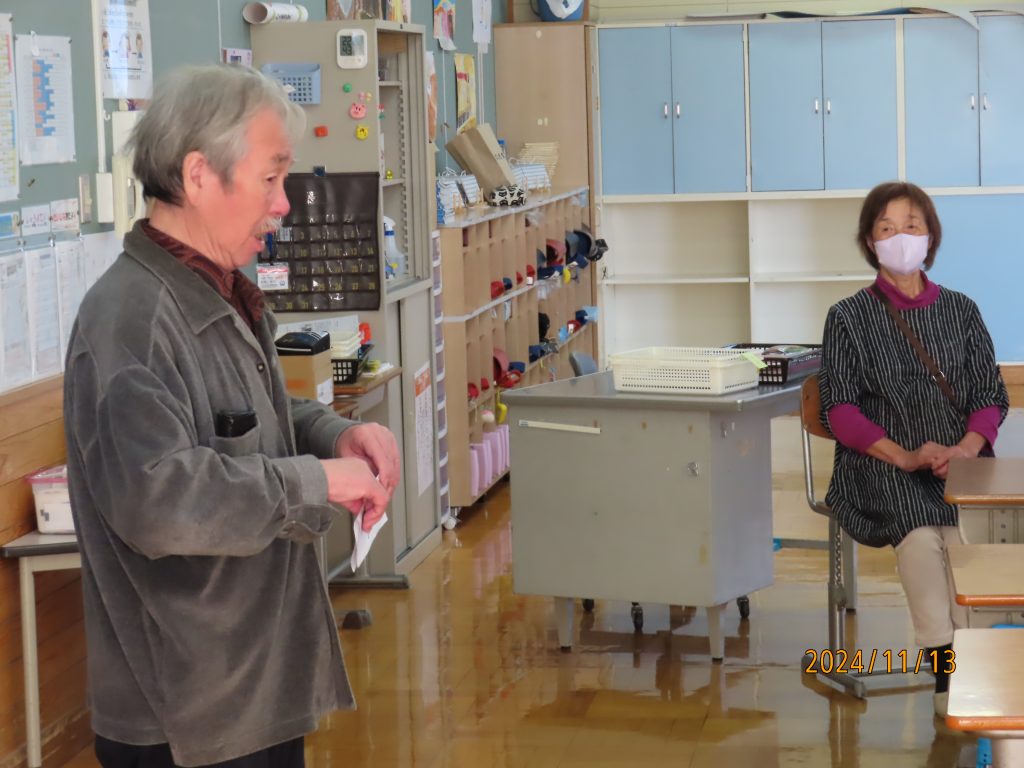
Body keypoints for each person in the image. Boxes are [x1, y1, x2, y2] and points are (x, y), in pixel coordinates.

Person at [63, 65, 401, 767]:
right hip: (185, 717)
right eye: (271, 178)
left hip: (253, 691)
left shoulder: (218, 289)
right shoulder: (132, 320)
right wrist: (316, 482)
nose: (284, 204)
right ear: (198, 176)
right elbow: (160, 503)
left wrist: (337, 436)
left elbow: (251, 418)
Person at [819, 181, 1008, 718]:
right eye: (886, 227)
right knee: (923, 536)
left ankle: (970, 663)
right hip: (882, 464)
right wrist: (905, 456)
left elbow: (990, 395)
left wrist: (966, 448)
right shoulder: (848, 317)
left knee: (964, 537)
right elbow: (839, 408)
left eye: (912, 225)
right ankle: (947, 668)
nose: (900, 236)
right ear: (869, 241)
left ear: (930, 238)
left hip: (960, 461)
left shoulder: (962, 311)